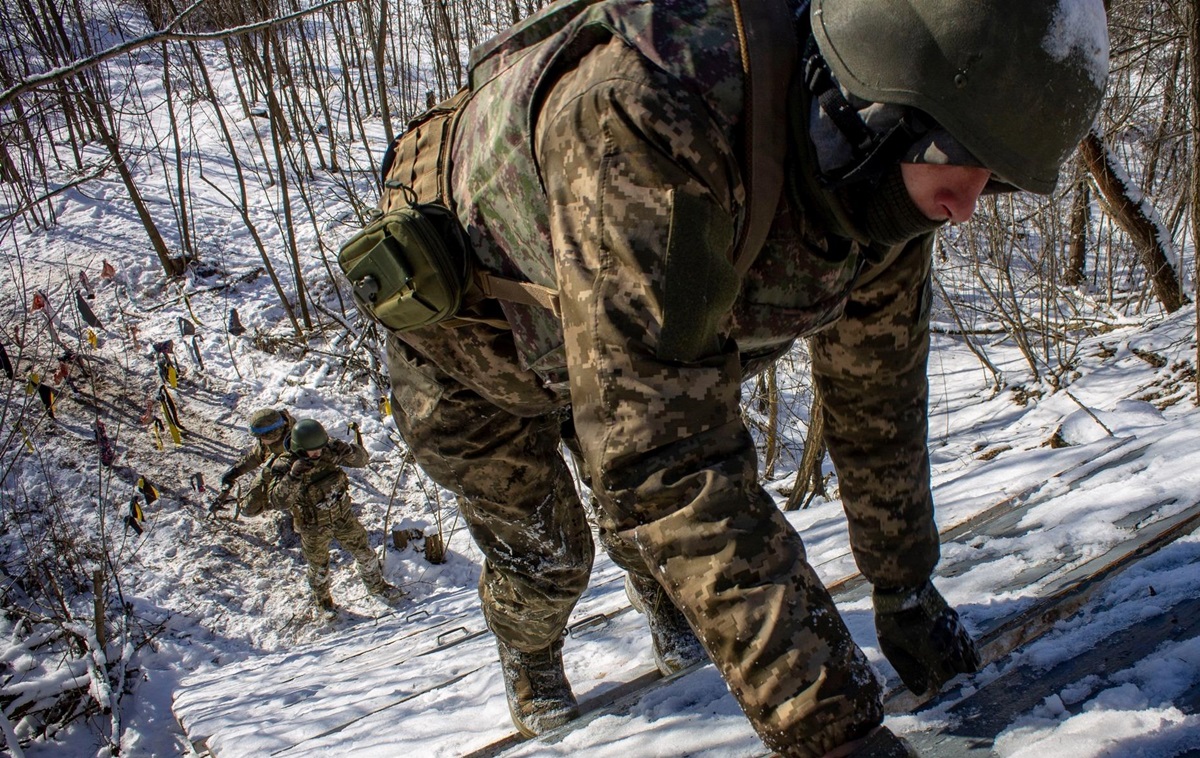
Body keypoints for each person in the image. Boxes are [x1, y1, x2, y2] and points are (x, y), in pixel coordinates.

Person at [371, 0, 1108, 755]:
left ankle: (664, 604)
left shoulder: (877, 177)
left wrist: (904, 583)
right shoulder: (645, 114)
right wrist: (834, 731)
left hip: (620, 340)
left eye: (997, 181)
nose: (966, 207)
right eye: (960, 155)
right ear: (876, 105)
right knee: (551, 559)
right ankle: (529, 657)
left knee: (651, 541)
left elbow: (876, 391)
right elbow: (667, 458)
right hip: (479, 363)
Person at [262, 418, 404, 610]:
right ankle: (324, 604)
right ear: (300, 449)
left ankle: (377, 586)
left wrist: (350, 451)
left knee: (365, 553)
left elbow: (363, 460)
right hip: (313, 526)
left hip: (342, 516)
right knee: (319, 568)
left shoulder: (327, 450)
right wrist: (293, 477)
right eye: (313, 451)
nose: (318, 454)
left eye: (320, 448)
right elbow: (278, 501)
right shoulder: (285, 465)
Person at [217, 407, 294, 516]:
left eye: (261, 437)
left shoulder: (297, 445)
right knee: (248, 508)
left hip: (297, 482)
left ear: (272, 434)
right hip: (280, 474)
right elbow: (256, 456)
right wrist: (235, 472)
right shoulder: (274, 438)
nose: (260, 440)